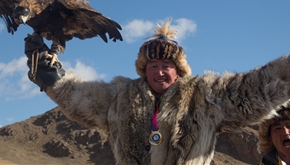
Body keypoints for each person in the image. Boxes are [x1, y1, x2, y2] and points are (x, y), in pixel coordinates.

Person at [24, 19, 290, 165]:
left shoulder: (206, 95)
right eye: (154, 65)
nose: (160, 71)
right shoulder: (119, 96)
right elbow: (80, 98)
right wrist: (49, 76)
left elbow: (252, 90)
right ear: (144, 68)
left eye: (167, 65)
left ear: (179, 70)